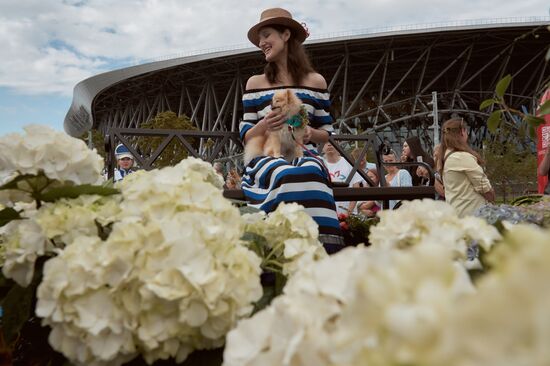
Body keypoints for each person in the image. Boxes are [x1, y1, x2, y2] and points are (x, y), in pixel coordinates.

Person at [240, 8, 342, 247]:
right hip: (265, 156)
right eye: (259, 39)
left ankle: (320, 246)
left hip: (302, 153)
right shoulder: (255, 83)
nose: (262, 43)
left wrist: (310, 133)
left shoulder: (316, 82)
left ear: (286, 35)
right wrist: (265, 124)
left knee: (309, 169)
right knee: (285, 172)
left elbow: (326, 131)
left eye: (266, 35)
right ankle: (280, 247)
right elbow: (246, 134)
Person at [438, 118, 495, 217]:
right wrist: (492, 197)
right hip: (472, 213)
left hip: (456, 211)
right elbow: (483, 186)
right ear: (462, 132)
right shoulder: (462, 157)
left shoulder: (446, 155)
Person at [322, 142, 363, 214]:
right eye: (325, 143)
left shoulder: (348, 162)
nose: (329, 144)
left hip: (348, 213)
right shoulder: (320, 164)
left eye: (331, 142)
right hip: (327, 212)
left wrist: (349, 212)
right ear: (322, 148)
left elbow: (356, 187)